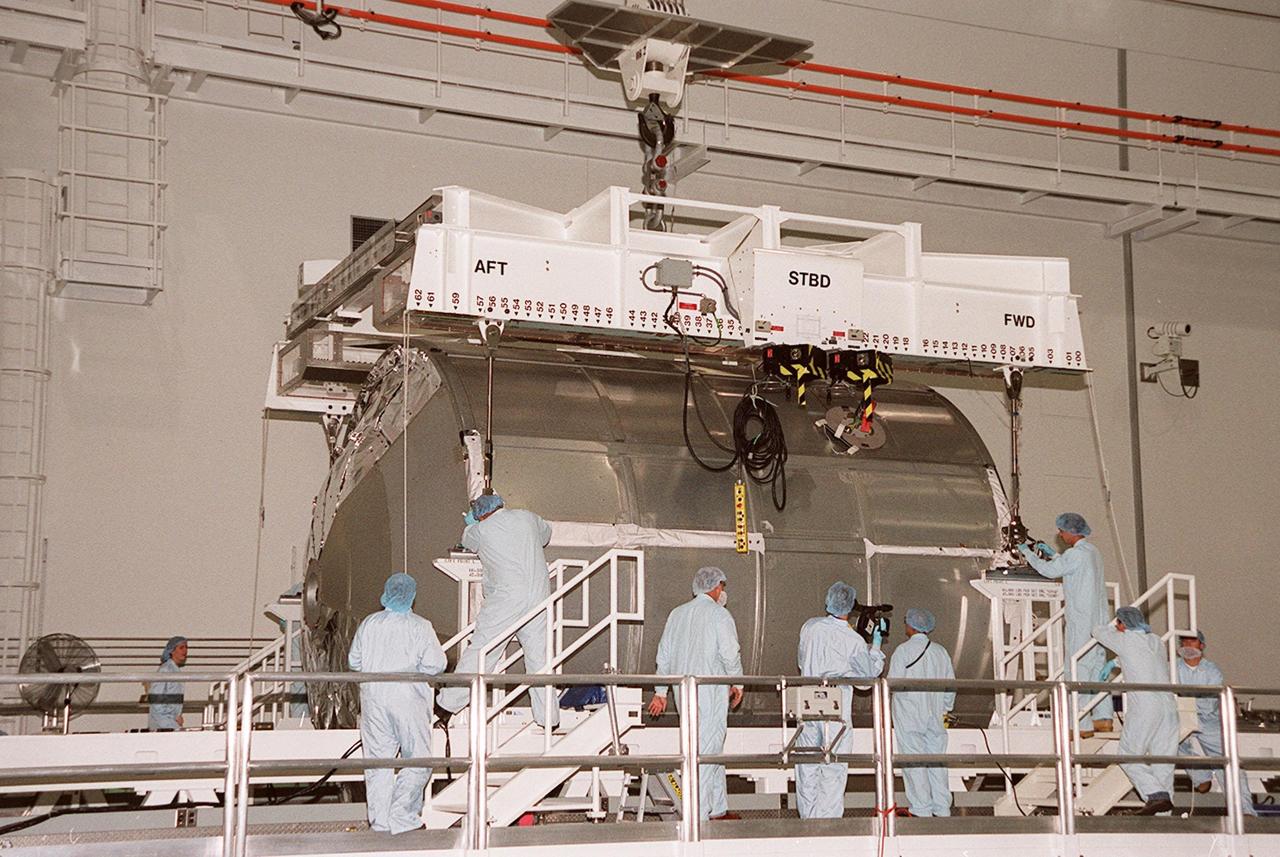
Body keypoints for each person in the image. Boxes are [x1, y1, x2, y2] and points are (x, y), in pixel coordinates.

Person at [437, 494, 559, 728]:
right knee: (539, 658)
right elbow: (545, 535)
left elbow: (468, 544)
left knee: (483, 650)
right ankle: (549, 720)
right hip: (538, 596)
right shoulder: (527, 517)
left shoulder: (479, 530)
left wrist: (472, 525)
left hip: (506, 598)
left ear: (479, 514)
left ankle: (447, 706)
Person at [349, 572, 447, 834]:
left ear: (385, 593)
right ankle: (402, 817)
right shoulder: (420, 626)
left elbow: (354, 662)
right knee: (418, 760)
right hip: (407, 699)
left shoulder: (369, 623)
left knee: (378, 763)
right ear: (412, 597)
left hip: (373, 700)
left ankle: (380, 823)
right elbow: (436, 664)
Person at [647, 566, 744, 821]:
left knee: (703, 749)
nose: (723, 591)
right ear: (715, 587)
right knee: (707, 753)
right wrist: (738, 682)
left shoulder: (676, 614)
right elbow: (730, 653)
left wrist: (660, 692)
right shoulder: (720, 615)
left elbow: (663, 655)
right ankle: (698, 819)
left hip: (684, 694)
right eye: (722, 586)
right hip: (709, 693)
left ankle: (718, 808)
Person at [795, 581, 886, 819]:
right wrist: (875, 648)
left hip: (808, 699)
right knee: (833, 766)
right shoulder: (854, 641)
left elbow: (802, 661)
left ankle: (808, 820)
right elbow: (866, 680)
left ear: (828, 600)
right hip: (836, 704)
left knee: (807, 764)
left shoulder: (809, 627)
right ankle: (828, 824)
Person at [1017, 512, 1113, 736]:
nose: (1059, 536)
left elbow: (1049, 572)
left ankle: (1080, 726)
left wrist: (1027, 553)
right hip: (1098, 621)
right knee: (1097, 671)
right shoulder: (1092, 552)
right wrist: (1054, 555)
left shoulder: (1075, 555)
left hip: (1081, 622)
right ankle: (1103, 718)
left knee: (1077, 672)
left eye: (1061, 532)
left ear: (1071, 532)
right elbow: (1069, 568)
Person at [1092, 606, 1178, 815]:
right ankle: (1164, 816)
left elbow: (1097, 631)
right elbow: (1142, 660)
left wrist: (1110, 626)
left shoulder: (1125, 640)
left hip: (1146, 706)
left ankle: (1156, 794)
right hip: (1169, 707)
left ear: (1122, 624)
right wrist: (1114, 662)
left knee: (1129, 755)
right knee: (1163, 762)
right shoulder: (1156, 641)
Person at [1176, 631, 1256, 815]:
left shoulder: (1211, 671)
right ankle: (1201, 776)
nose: (1187, 644)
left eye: (1192, 640)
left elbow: (1207, 701)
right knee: (1170, 742)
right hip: (1181, 718)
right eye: (1184, 640)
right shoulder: (1172, 668)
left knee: (1227, 762)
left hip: (1208, 720)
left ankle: (1245, 812)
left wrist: (1186, 702)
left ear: (1202, 646)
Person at [888, 608, 955, 818]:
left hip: (909, 718)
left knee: (914, 763)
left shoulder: (902, 651)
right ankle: (942, 808)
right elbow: (951, 685)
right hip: (936, 717)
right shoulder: (940, 652)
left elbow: (892, 683)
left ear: (910, 626)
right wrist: (946, 710)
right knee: (937, 763)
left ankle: (922, 809)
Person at [147, 636, 189, 730]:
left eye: (186, 647)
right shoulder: (165, 670)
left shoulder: (175, 670)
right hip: (163, 723)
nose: (185, 651)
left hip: (169, 722)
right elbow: (155, 699)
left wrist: (177, 716)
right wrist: (173, 716)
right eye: (181, 647)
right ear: (171, 650)